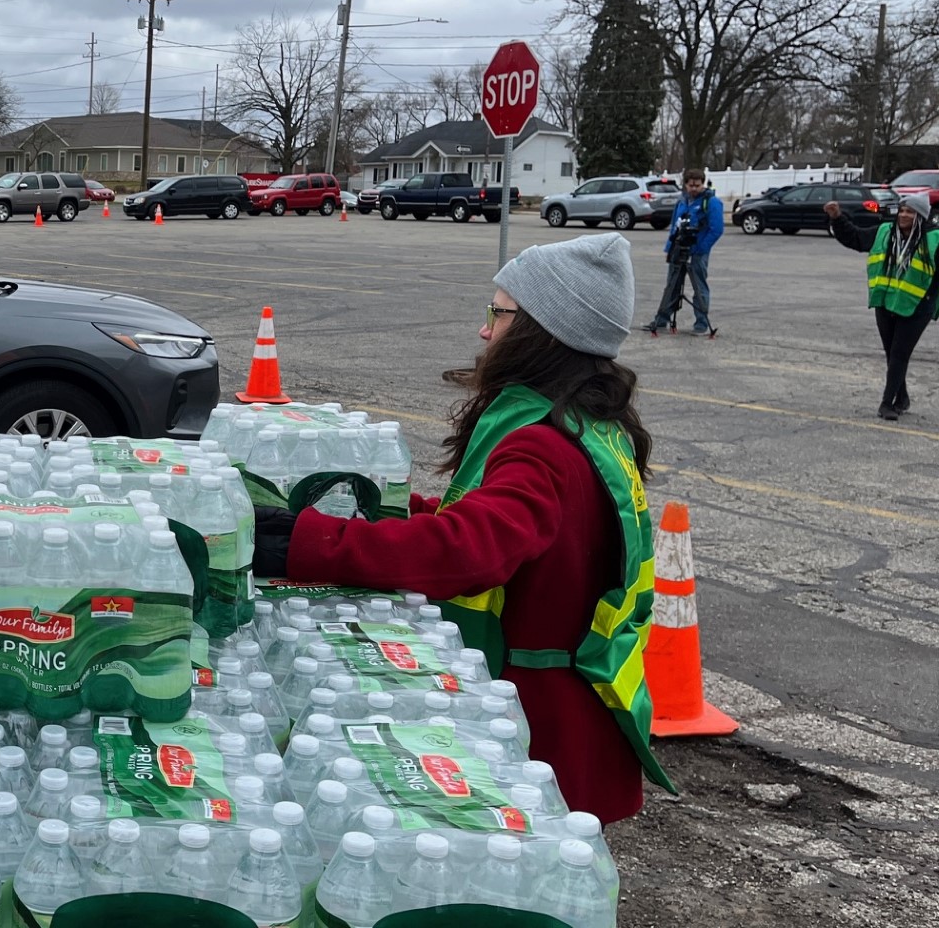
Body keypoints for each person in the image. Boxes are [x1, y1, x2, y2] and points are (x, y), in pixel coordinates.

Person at [251, 234, 672, 823]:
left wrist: (307, 542)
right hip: (578, 706)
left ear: (541, 331)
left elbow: (468, 552)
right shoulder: (594, 426)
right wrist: (389, 513)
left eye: (498, 313)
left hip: (541, 726)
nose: (484, 331)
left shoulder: (540, 445)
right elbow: (493, 522)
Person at [824, 193, 938, 420]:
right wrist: (837, 218)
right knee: (892, 354)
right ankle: (902, 398)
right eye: (902, 210)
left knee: (899, 353)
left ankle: (887, 404)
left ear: (921, 216)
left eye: (910, 211)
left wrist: (931, 301)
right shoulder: (885, 232)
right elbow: (855, 238)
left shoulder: (934, 239)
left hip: (916, 306)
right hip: (886, 302)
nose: (904, 215)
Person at [642, 167, 723, 335]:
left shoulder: (712, 202)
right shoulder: (682, 201)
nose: (694, 189)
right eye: (691, 185)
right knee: (672, 285)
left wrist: (701, 248)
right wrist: (669, 248)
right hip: (678, 249)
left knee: (699, 286)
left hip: (698, 252)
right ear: (685, 184)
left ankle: (701, 322)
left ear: (703, 184)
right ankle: (662, 319)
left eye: (697, 185)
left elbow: (716, 229)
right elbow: (674, 226)